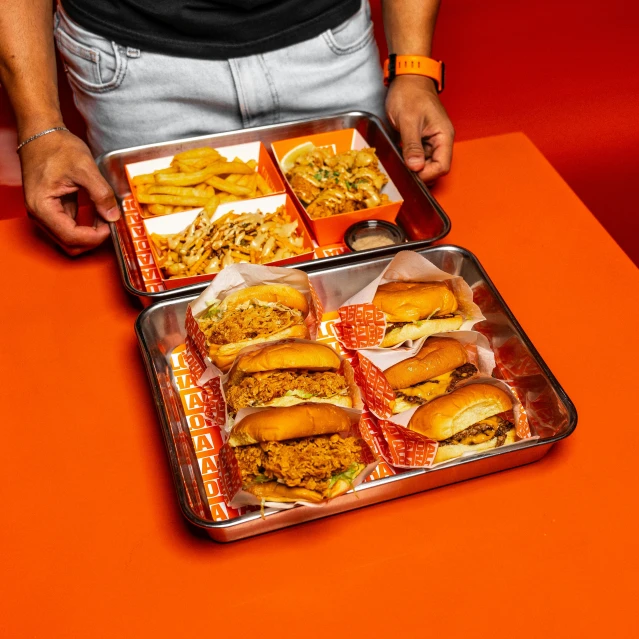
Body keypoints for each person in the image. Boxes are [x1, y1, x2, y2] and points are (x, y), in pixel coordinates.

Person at [0, 0, 454, 255]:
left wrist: (414, 67)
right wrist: (39, 125)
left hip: (327, 46)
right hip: (135, 73)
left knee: (383, 280)